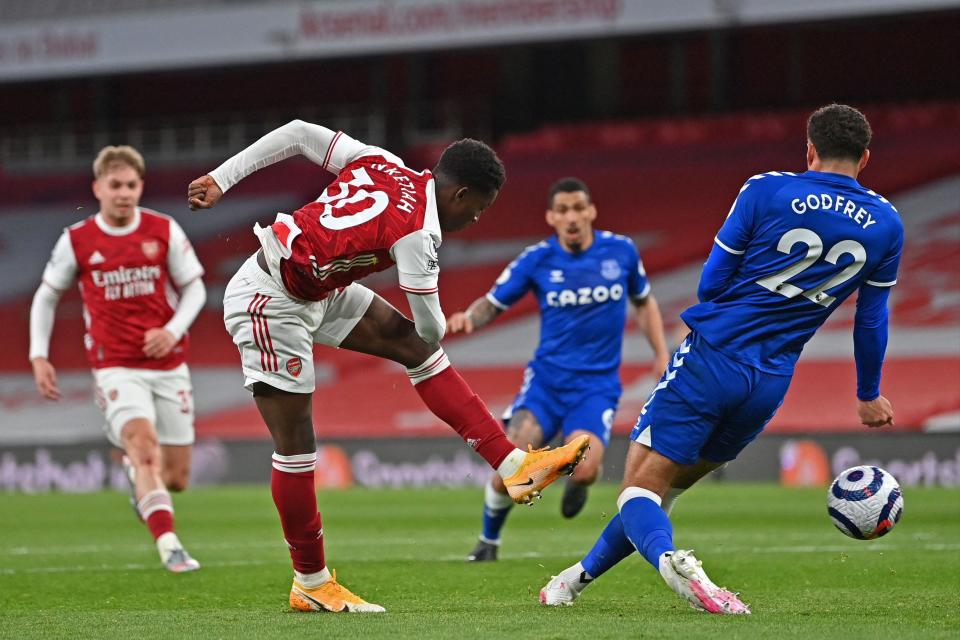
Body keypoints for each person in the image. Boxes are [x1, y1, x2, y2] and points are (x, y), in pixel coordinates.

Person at [186, 120, 590, 613]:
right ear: (460, 195)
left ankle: (514, 466)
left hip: (315, 285)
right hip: (270, 300)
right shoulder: (420, 235)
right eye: (479, 209)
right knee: (297, 450)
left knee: (412, 349)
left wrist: (222, 178)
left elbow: (296, 132)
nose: (476, 221)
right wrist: (440, 309)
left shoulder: (382, 162)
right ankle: (310, 582)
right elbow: (432, 326)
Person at [539, 104, 902, 614]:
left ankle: (673, 565)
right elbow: (871, 318)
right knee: (664, 492)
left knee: (638, 489)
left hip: (713, 358)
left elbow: (711, 283)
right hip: (770, 381)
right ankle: (571, 582)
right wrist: (867, 394)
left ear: (810, 149)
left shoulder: (767, 190)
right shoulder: (887, 223)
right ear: (865, 158)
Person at [447, 177, 670, 562]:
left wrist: (661, 353)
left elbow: (644, 302)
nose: (572, 217)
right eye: (563, 210)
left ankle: (581, 483)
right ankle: (488, 541)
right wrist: (469, 317)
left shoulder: (621, 252)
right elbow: (494, 302)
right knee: (512, 466)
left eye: (579, 208)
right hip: (546, 385)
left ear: (591, 211)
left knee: (583, 470)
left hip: (596, 387)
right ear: (551, 216)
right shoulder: (537, 259)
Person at [30, 145, 207, 573]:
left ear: (140, 186)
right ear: (98, 188)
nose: (124, 193)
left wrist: (171, 331)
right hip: (116, 366)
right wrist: (39, 355)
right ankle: (170, 546)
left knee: (177, 477)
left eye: (131, 185)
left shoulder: (164, 230)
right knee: (145, 447)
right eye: (115, 185)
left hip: (168, 366)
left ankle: (135, 477)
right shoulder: (77, 239)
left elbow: (196, 289)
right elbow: (47, 296)